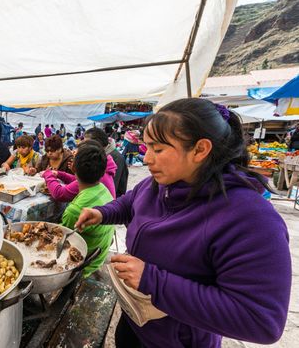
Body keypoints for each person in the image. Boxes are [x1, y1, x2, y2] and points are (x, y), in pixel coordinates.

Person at [75, 98, 291, 347]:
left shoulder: (250, 219)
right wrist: (102, 213)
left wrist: (152, 280)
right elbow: (131, 202)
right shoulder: (161, 183)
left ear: (200, 150)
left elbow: (261, 321)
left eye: (157, 149)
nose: (147, 159)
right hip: (135, 324)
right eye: (146, 148)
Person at [61, 142, 114, 277]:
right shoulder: (103, 189)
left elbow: (61, 243)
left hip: (83, 267)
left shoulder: (75, 211)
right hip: (98, 257)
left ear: (74, 167)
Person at [42, 139, 116, 202]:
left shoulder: (94, 177)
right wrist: (59, 174)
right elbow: (76, 179)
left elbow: (60, 194)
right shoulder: (99, 170)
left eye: (76, 157)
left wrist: (48, 174)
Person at [85, 127, 128, 197]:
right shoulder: (99, 155)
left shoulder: (115, 159)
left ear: (97, 143)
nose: (85, 147)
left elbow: (111, 188)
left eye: (87, 144)